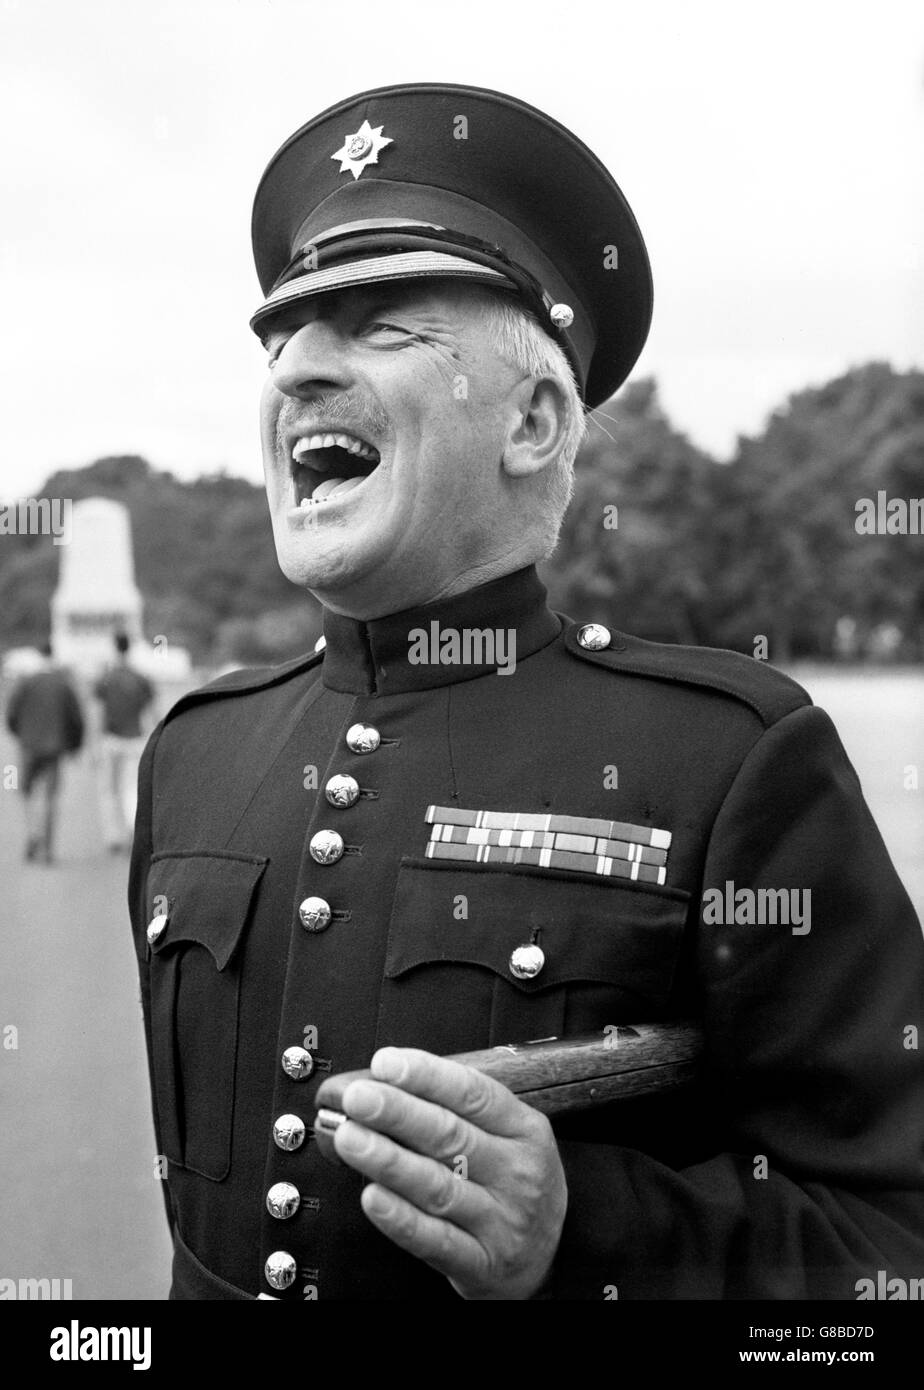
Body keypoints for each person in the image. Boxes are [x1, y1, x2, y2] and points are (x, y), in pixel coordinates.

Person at [129, 83, 924, 1301]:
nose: (297, 375)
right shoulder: (195, 748)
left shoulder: (729, 759)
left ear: (537, 421)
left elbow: (892, 1253)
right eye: (285, 337)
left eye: (383, 328)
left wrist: (588, 1233)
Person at [6, 640, 84, 864]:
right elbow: (76, 718)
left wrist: (19, 734)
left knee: (27, 793)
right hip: (55, 747)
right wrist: (75, 745)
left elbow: (11, 713)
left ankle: (33, 832)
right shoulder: (63, 683)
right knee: (51, 797)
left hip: (29, 745)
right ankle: (48, 847)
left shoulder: (26, 681)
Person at [93, 631, 154, 853]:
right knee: (131, 789)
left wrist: (94, 743)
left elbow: (98, 712)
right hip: (136, 738)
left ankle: (113, 837)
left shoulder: (106, 677)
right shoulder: (140, 677)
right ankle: (131, 830)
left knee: (108, 790)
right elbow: (151, 713)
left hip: (111, 738)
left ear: (114, 646)